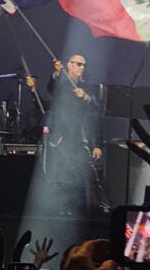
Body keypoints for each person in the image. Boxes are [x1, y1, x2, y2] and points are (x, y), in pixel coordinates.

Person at [27, 53, 104, 213]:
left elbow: (95, 114)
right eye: (78, 64)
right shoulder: (62, 86)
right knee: (60, 176)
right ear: (68, 65)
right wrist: (40, 85)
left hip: (80, 140)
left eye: (83, 65)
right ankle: (59, 210)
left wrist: (86, 97)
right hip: (61, 139)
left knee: (85, 177)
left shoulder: (87, 87)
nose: (82, 68)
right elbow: (51, 91)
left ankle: (92, 210)